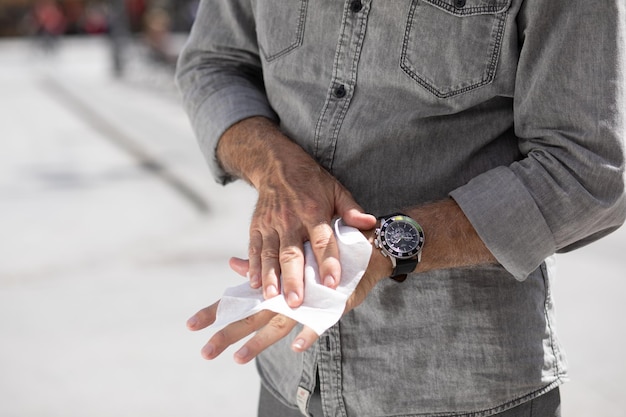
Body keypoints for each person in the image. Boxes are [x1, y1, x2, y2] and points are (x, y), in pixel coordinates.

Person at [175, 1, 626, 416]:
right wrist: (275, 167)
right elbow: (213, 65)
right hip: (287, 381)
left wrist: (383, 247)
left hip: (460, 389)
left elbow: (586, 170)